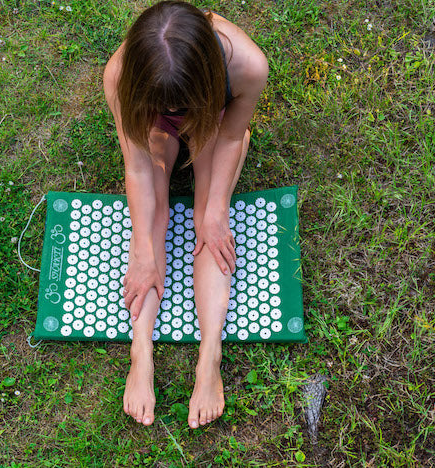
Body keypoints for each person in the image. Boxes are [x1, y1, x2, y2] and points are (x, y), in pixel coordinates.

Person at [103, 1, 268, 429]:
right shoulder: (120, 76)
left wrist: (214, 211)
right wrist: (142, 248)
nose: (177, 111)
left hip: (214, 125)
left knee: (208, 226)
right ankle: (141, 354)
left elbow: (232, 135)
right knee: (152, 216)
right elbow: (137, 165)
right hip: (156, 133)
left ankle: (209, 355)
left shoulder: (247, 65)